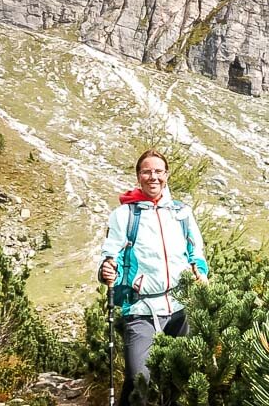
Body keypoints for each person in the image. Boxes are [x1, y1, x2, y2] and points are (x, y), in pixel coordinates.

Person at [99, 148, 208, 404]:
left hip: (182, 306)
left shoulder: (181, 212)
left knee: (179, 380)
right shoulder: (125, 215)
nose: (153, 177)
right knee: (140, 378)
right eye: (147, 171)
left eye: (158, 171)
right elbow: (109, 255)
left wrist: (200, 271)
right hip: (140, 307)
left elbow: (196, 249)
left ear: (167, 175)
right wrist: (106, 270)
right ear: (138, 176)